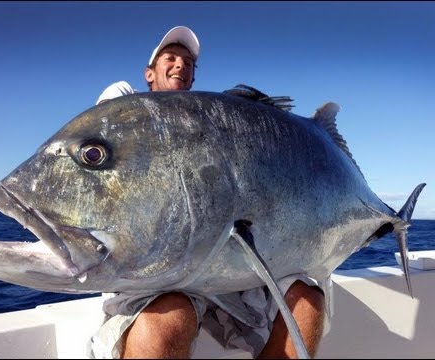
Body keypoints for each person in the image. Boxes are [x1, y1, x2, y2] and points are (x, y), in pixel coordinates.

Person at [90, 26, 330, 359]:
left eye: (188, 62)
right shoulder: (124, 100)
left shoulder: (209, 124)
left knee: (308, 303)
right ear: (149, 73)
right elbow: (109, 140)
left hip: (221, 264)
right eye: (170, 58)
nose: (180, 65)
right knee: (167, 321)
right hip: (154, 271)